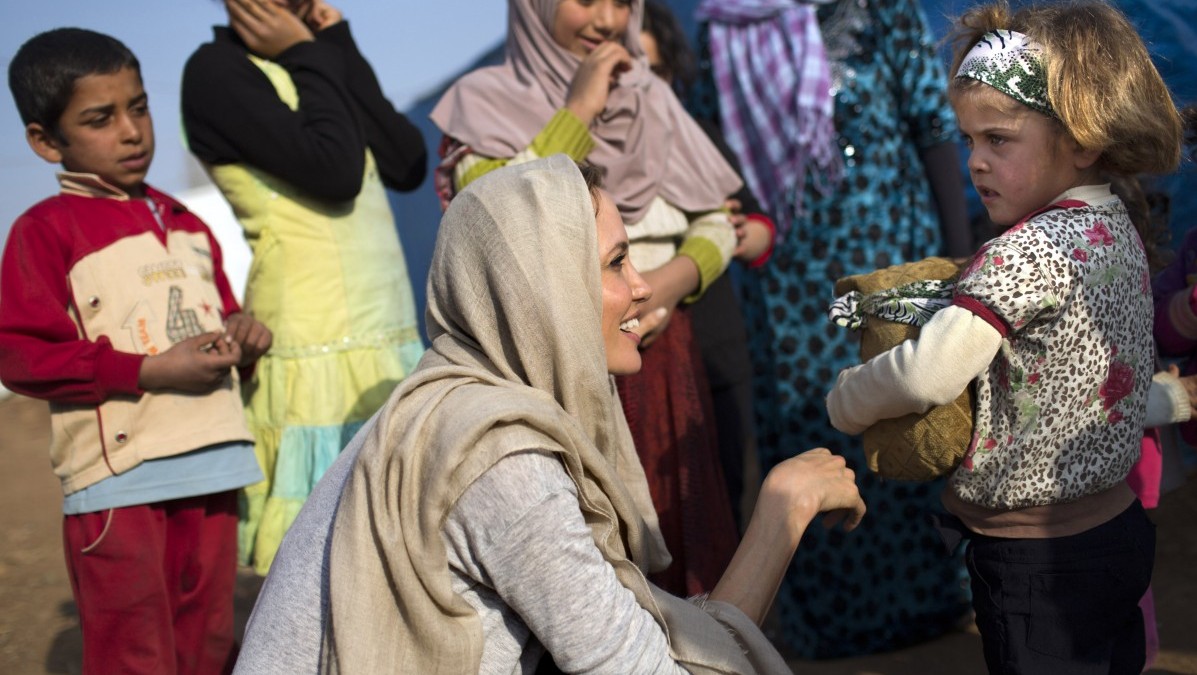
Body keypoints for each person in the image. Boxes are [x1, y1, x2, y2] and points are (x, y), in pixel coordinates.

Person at [233, 155, 866, 674]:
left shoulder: (440, 406)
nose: (643, 287)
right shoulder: (499, 462)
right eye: (617, 262)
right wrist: (781, 514)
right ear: (543, 291)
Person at [826, 1, 1183, 671]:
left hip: (1035, 563)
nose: (974, 163)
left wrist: (846, 397)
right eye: (966, 140)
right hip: (1117, 532)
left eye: (997, 140)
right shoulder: (1115, 229)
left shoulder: (1021, 251)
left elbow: (924, 374)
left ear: (1081, 138)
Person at [430, 0, 744, 596]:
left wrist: (663, 288)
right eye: (584, 0)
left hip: (659, 349)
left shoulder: (648, 97)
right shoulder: (484, 102)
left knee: (680, 532)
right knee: (584, 553)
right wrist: (577, 110)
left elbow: (717, 219)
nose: (606, 19)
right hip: (554, 361)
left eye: (622, 2)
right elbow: (494, 217)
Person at [695, 0, 974, 657]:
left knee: (906, 411)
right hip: (789, 285)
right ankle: (834, 620)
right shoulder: (720, 30)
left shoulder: (882, 10)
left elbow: (933, 127)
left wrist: (962, 261)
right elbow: (709, 150)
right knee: (817, 425)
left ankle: (940, 594)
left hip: (890, 260)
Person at [1, 28, 271, 674]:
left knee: (208, 642)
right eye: (100, 118)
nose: (132, 132)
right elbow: (20, 355)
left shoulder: (187, 223)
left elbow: (223, 315)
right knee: (135, 652)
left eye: (140, 107)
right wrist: (149, 368)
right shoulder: (45, 233)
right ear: (45, 141)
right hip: (121, 484)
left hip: (212, 465)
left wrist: (245, 340)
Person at [181, 0, 428, 575]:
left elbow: (406, 160)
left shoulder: (315, 60)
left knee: (400, 548)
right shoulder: (215, 72)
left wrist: (335, 44)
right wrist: (304, 54)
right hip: (314, 344)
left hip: (385, 335)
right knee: (325, 560)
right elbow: (335, 173)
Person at [639, 0, 776, 527]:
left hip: (715, 356)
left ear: (673, 73)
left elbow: (762, 228)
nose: (644, 87)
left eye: (655, 72)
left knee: (727, 508)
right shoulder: (591, 156)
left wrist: (735, 233)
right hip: (643, 365)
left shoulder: (699, 141)